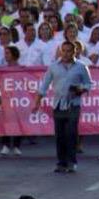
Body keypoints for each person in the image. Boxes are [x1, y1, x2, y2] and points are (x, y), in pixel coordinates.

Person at [34, 41, 92, 173]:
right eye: (64, 51)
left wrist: (80, 89)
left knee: (71, 133)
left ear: (74, 51)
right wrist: (37, 101)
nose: (66, 54)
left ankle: (72, 162)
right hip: (58, 104)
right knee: (60, 135)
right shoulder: (54, 67)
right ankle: (61, 162)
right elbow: (44, 85)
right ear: (60, 51)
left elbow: (89, 84)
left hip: (73, 104)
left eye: (69, 51)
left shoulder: (81, 66)